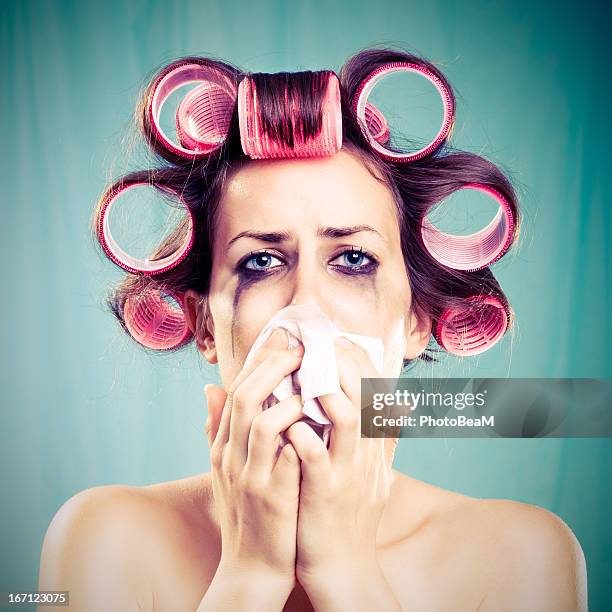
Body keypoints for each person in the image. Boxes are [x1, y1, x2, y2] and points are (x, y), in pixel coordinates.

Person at [38, 48, 587, 611]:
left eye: (352, 260)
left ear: (417, 321)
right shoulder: (103, 540)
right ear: (205, 324)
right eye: (260, 262)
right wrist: (249, 576)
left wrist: (344, 573)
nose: (307, 310)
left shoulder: (522, 557)